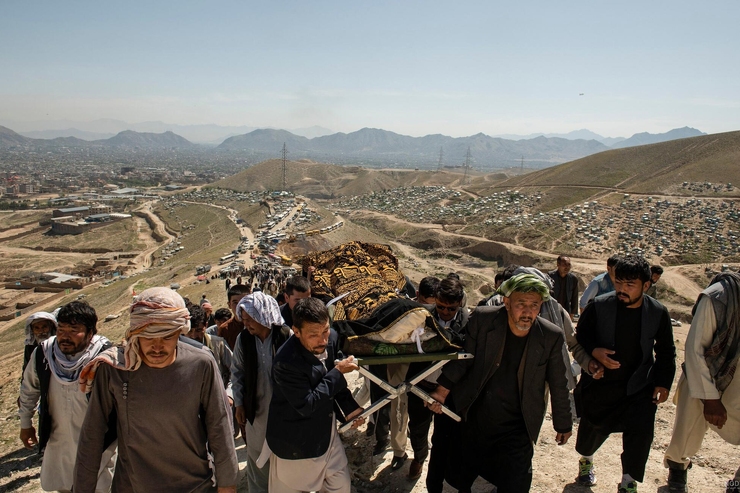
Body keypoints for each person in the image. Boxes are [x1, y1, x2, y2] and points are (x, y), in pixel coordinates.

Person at [74, 287, 238, 493]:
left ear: (180, 332)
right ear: (135, 333)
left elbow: (220, 426)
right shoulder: (115, 368)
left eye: (167, 337)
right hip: (132, 486)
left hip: (195, 485)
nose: (157, 347)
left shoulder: (201, 364)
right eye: (148, 337)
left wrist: (227, 484)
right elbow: (92, 435)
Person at [426, 273, 573, 493]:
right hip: (476, 416)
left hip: (518, 424)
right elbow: (465, 359)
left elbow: (558, 381)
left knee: (516, 482)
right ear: (506, 302)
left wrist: (563, 422)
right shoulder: (484, 320)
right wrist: (442, 390)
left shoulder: (550, 335)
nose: (527, 311)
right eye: (521, 304)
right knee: (461, 478)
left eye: (534, 305)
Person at [574, 256, 676, 493]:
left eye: (630, 285)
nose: (622, 289)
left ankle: (628, 481)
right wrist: (595, 352)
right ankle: (586, 460)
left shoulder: (657, 312)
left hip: (639, 385)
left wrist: (662, 383)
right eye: (619, 282)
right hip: (602, 383)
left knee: (640, 435)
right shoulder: (599, 306)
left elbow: (665, 351)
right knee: (592, 429)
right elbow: (581, 337)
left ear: (646, 285)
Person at [265, 297, 364, 493]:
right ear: (296, 331)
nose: (323, 340)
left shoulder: (331, 338)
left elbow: (331, 378)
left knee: (341, 487)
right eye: (314, 335)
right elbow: (307, 403)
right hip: (294, 442)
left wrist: (350, 409)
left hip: (326, 436)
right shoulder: (285, 362)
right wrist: (338, 373)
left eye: (325, 330)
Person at [18, 301, 116, 493]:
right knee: (63, 483)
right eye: (61, 329)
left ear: (90, 333)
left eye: (74, 330)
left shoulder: (105, 358)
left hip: (99, 442)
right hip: (58, 439)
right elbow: (29, 389)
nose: (65, 336)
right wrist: (25, 423)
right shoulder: (44, 354)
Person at [664, 272, 740, 492]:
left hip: (737, 376)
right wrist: (711, 399)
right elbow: (695, 350)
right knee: (688, 423)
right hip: (706, 371)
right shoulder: (717, 298)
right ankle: (677, 469)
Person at [231, 291, 291, 493]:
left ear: (262, 316)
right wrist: (239, 403)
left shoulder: (286, 336)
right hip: (256, 413)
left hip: (284, 412)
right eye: (244, 320)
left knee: (286, 461)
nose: (245, 324)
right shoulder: (244, 340)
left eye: (249, 320)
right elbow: (237, 372)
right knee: (258, 462)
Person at [186, 304, 233, 392]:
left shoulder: (218, 344)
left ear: (206, 325)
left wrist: (229, 394)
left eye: (198, 330)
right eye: (189, 331)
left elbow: (236, 371)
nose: (193, 335)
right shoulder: (178, 348)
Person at [219, 284, 252, 350]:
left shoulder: (257, 325)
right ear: (229, 305)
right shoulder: (225, 329)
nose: (240, 306)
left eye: (243, 302)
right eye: (235, 303)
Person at [549, 255, 579, 320]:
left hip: (566, 311)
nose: (567, 267)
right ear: (558, 265)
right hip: (551, 310)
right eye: (564, 264)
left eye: (568, 265)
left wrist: (572, 314)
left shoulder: (573, 279)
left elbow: (574, 297)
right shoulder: (550, 277)